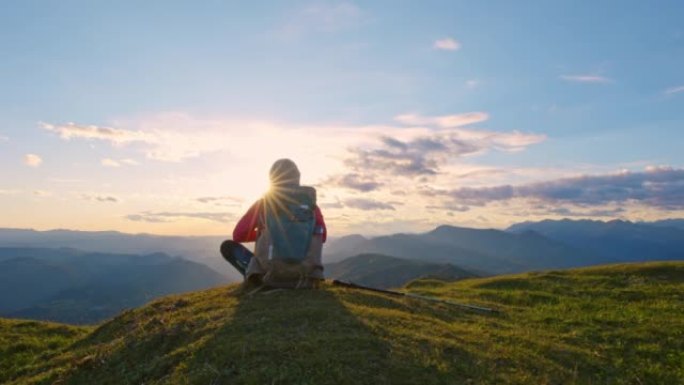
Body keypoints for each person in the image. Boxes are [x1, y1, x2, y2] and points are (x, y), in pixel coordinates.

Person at [220, 159, 327, 289]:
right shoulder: (311, 207)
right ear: (297, 178)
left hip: (270, 273)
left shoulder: (263, 205)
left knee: (227, 247)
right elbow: (322, 237)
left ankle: (254, 275)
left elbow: (238, 235)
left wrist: (264, 234)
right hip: (305, 275)